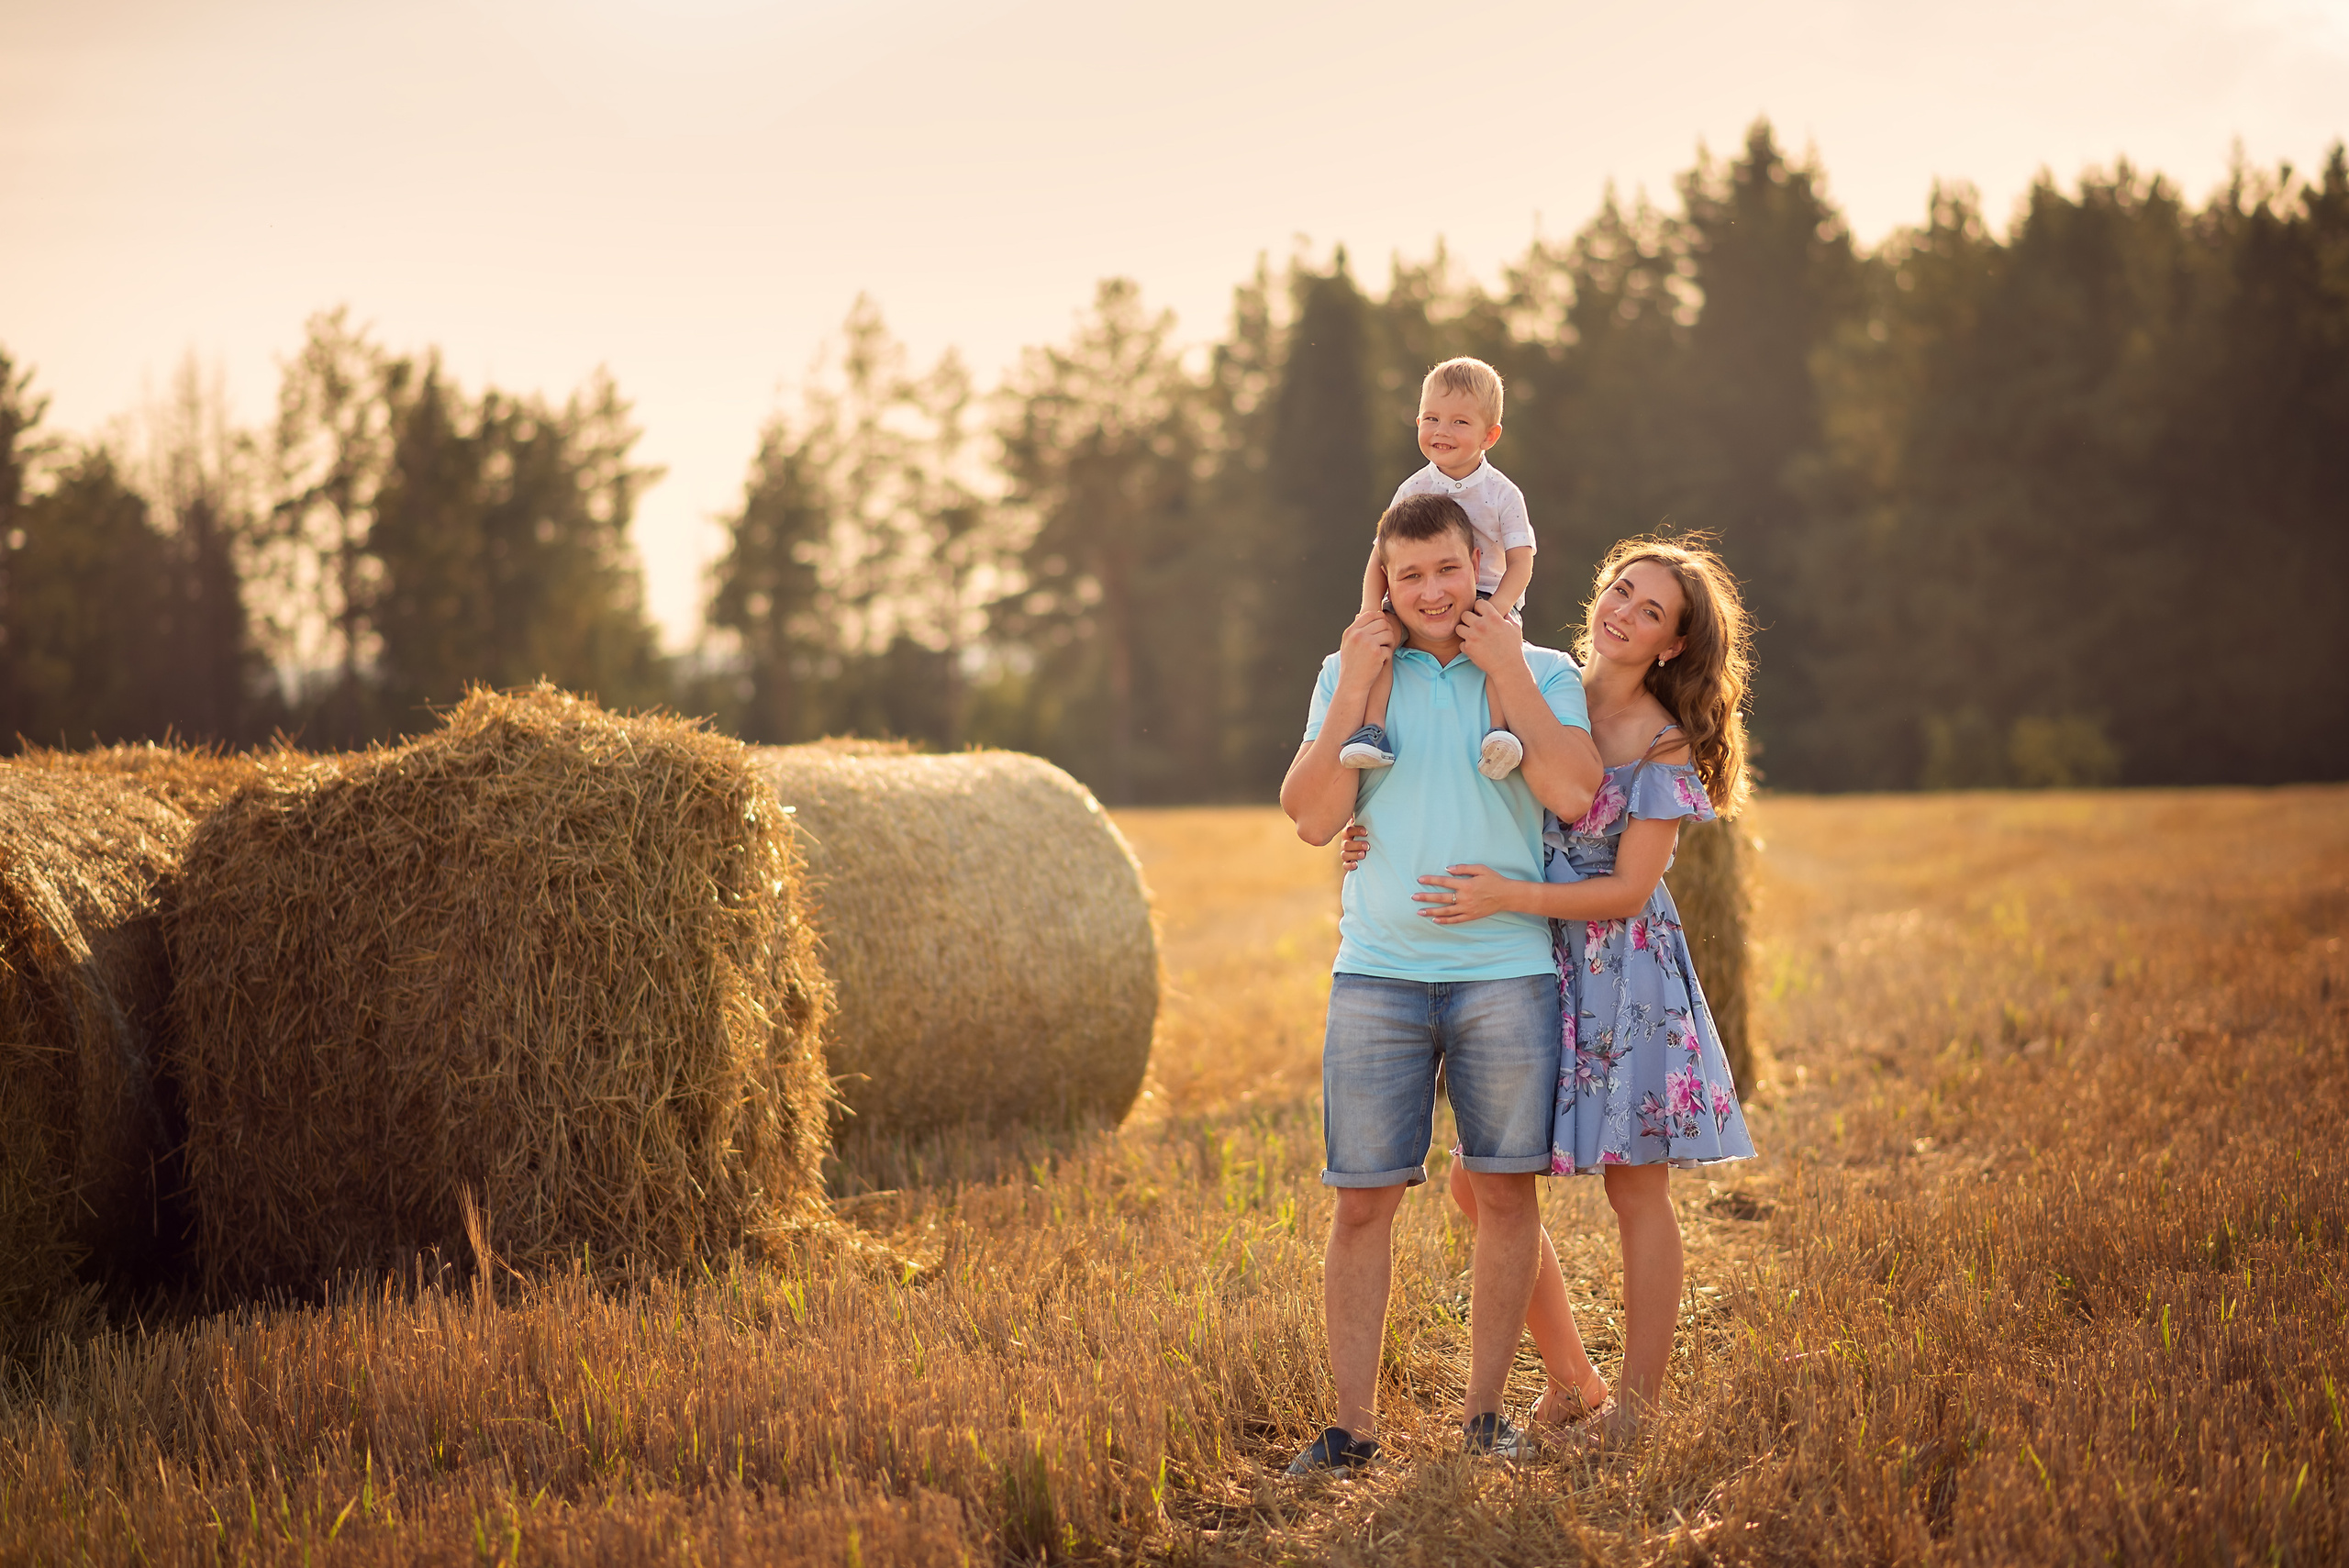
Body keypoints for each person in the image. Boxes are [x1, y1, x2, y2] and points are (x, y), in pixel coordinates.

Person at [1343, 536, 1758, 1445]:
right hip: (1526, 958)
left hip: (1622, 971)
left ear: (1672, 646)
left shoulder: (1662, 736)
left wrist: (1508, 894)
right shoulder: (1540, 682)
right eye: (1621, 590)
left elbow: (1628, 889)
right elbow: (1447, 778)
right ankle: (1572, 1377)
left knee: (1634, 1191)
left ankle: (1638, 1414)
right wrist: (1366, 834)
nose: (1623, 612)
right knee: (1474, 1183)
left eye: (1650, 611)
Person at [1278, 492, 1602, 1474]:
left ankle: (1486, 1414)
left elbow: (1575, 792)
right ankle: (1351, 1426)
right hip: (1375, 968)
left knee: (1504, 1196)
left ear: (1482, 566)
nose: (1429, 591)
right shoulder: (1351, 673)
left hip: (1503, 971)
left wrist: (1507, 666)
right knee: (1362, 1201)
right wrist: (1352, 686)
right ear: (1384, 578)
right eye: (1408, 574)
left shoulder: (1543, 671)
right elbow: (1310, 816)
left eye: (1446, 570)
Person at [1335, 358, 1538, 781]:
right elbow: (1381, 556)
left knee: (1502, 645)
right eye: (1431, 418)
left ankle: (1500, 733)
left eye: (1459, 422)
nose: (1442, 431)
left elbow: (1522, 562)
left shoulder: (1501, 493)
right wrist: (1371, 608)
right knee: (1380, 639)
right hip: (1416, 591)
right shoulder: (1413, 488)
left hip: (1486, 593)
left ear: (1490, 435)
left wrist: (1497, 608)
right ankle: (1372, 730)